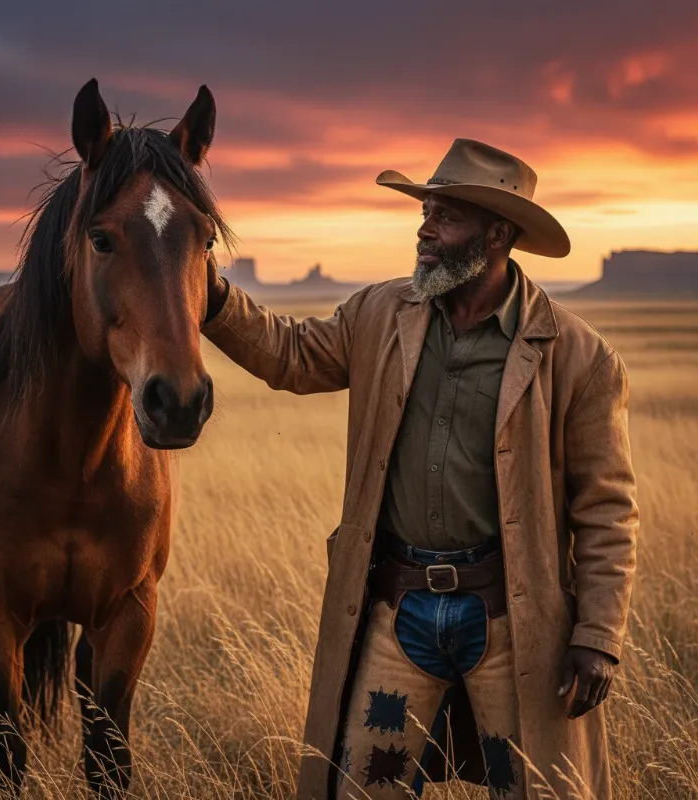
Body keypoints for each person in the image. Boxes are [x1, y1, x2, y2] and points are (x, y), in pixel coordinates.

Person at [200, 139, 638, 799]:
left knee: (536, 789)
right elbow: (290, 354)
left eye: (445, 216)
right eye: (425, 211)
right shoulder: (381, 315)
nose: (424, 229)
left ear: (498, 232)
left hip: (508, 623)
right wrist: (208, 294)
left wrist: (598, 635)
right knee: (365, 785)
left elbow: (606, 509)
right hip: (399, 612)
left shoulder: (577, 356)